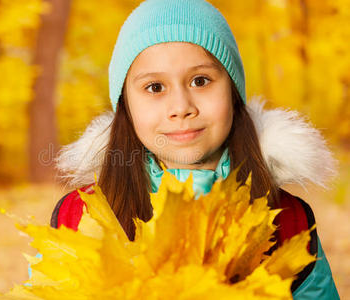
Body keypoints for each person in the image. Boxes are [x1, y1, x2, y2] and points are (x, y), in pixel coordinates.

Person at [45, 0, 340, 298]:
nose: (181, 107)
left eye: (200, 81)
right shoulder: (80, 219)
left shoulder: (288, 221)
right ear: (126, 107)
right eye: (155, 87)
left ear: (233, 91)